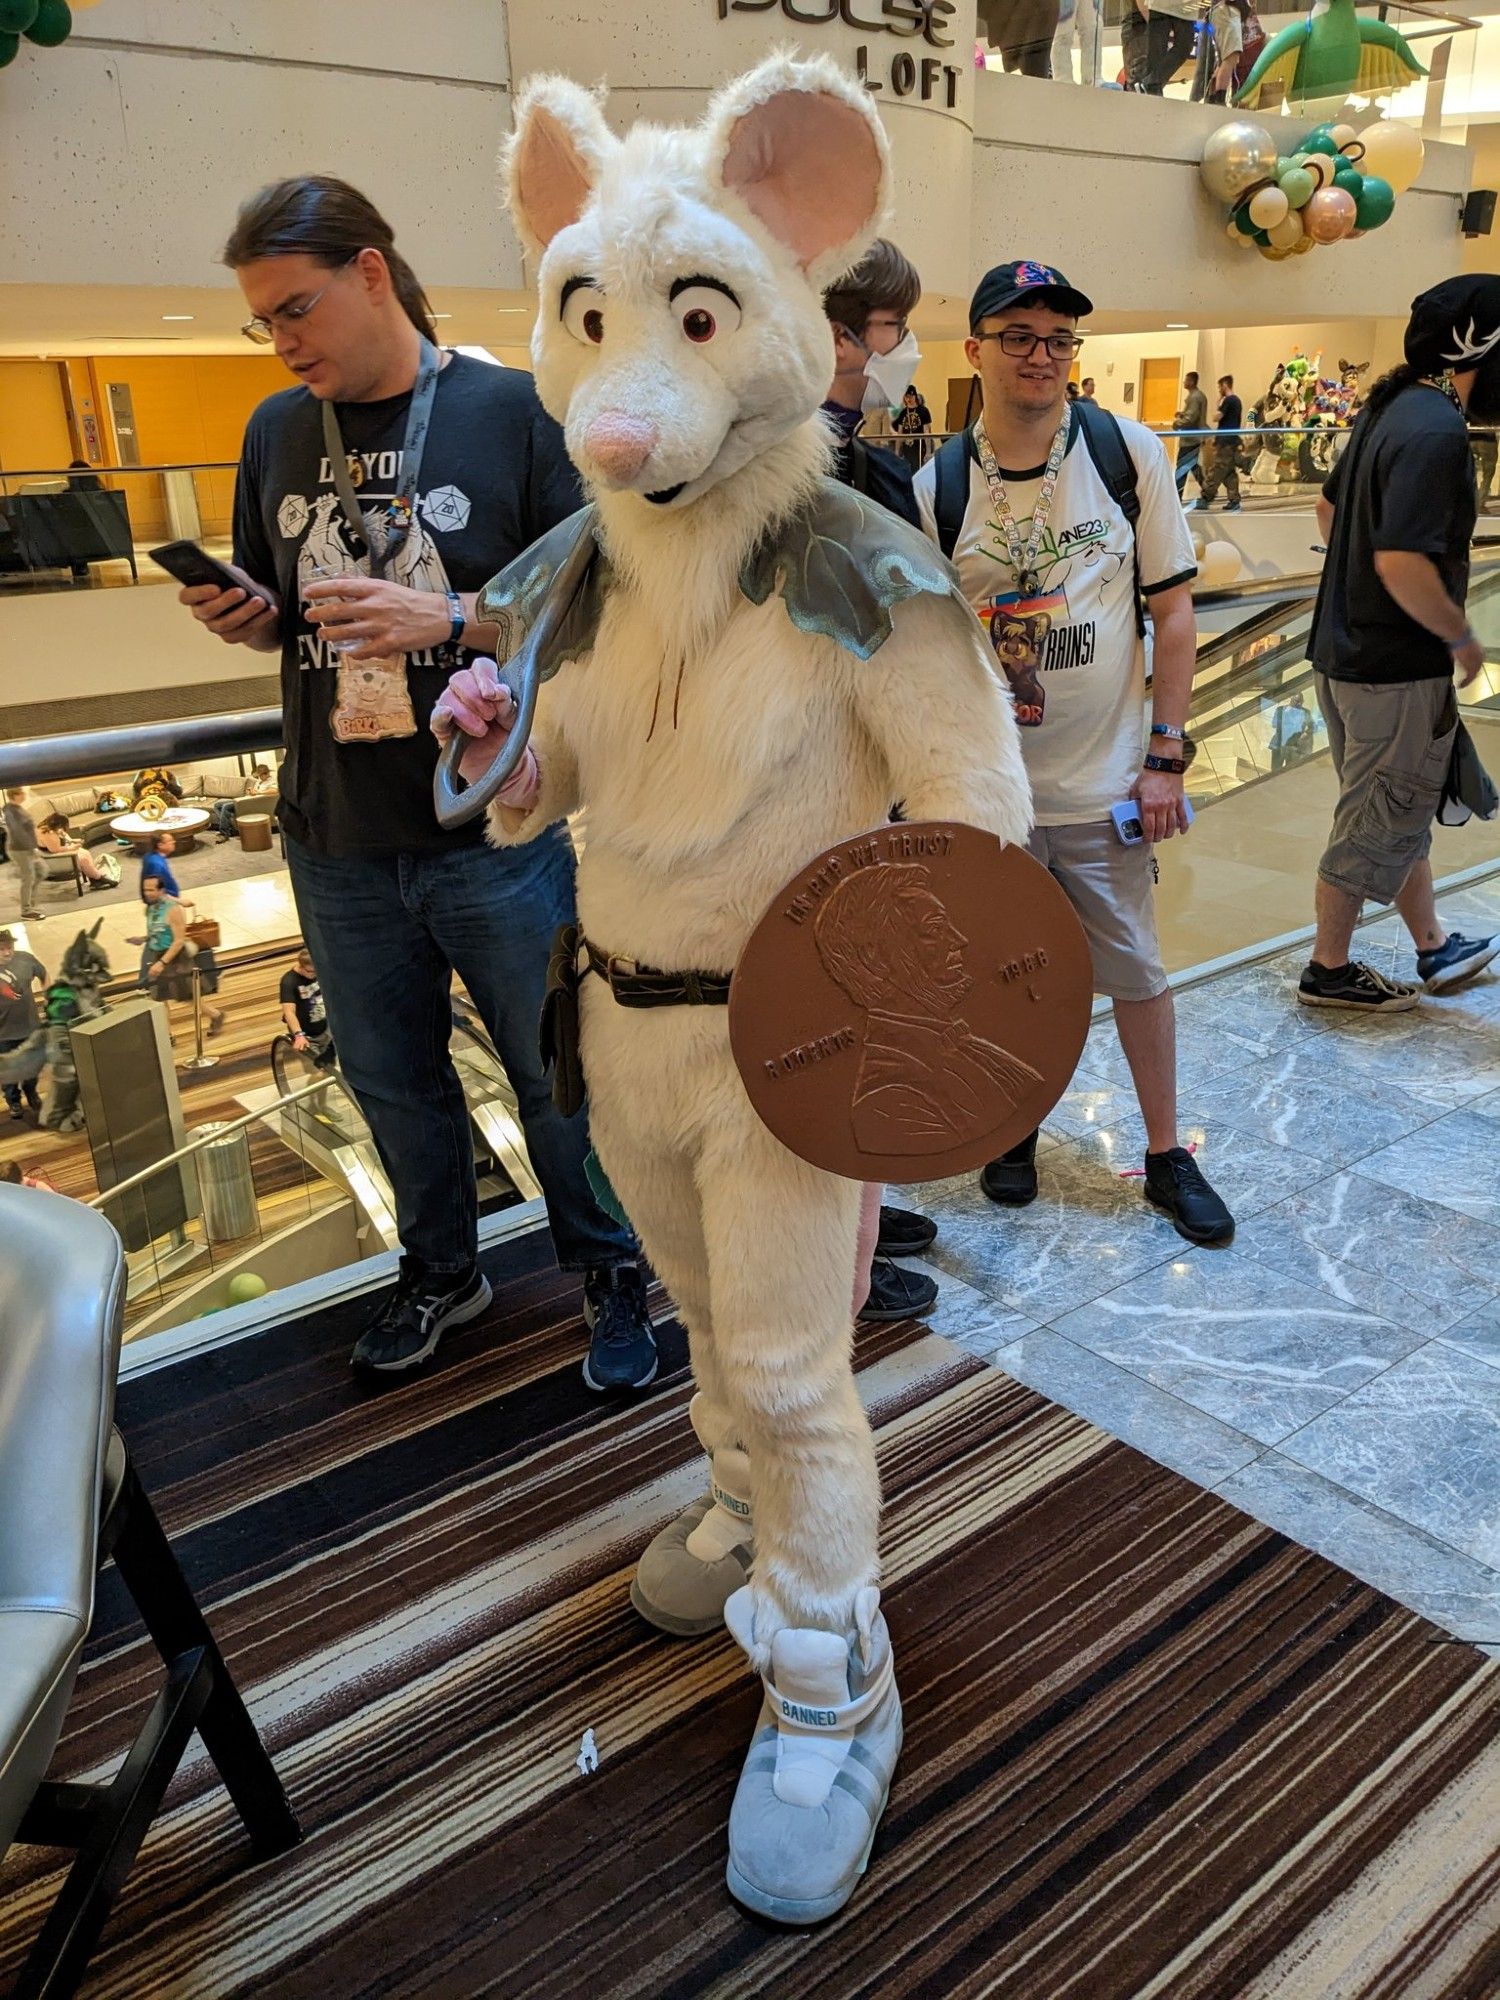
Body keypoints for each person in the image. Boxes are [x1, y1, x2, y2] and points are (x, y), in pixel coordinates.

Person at [177, 174, 651, 1389]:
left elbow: (591, 610)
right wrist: (249, 616)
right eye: (262, 322)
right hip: (332, 835)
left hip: (493, 826)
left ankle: (613, 1270)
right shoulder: (277, 429)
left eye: (295, 308)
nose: (282, 341)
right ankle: (443, 1270)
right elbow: (289, 614)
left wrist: (445, 612)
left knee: (557, 1077)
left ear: (371, 273)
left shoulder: (516, 414)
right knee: (392, 1084)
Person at [916, 258, 1234, 1245]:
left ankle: (1167, 1151)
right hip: (994, 796)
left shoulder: (1125, 451)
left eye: (1058, 339)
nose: (1040, 355)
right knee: (1002, 975)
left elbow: (1173, 616)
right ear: (976, 351)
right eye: (1018, 336)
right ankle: (1015, 1127)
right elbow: (926, 644)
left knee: (1135, 968)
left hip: (1101, 788)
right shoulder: (941, 483)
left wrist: (1166, 756)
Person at [1298, 274, 1500, 1012]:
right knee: (1376, 816)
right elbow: (1401, 559)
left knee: (1394, 805)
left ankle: (1433, 945)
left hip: (1344, 656)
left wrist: (1358, 597)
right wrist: (1460, 632)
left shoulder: (1390, 409)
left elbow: (1328, 511)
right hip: (1392, 668)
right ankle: (1328, 968)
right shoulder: (1438, 430)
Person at [820, 237, 943, 1322]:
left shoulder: (853, 448)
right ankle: (833, 1244)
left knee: (871, 998)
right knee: (834, 1005)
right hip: (816, 776)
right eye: (889, 327)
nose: (898, 348)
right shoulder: (801, 458)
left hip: (867, 764)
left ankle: (859, 1201)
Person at [820, 237, 926, 526]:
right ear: (839, 339)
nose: (907, 342)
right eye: (897, 325)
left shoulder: (889, 476)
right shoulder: (767, 479)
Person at [140, 875, 225, 1034]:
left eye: (151, 890)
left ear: (161, 890)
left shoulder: (173, 910)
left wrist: (162, 963)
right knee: (159, 998)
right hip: (158, 955)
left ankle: (215, 1014)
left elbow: (178, 941)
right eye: (145, 890)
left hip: (176, 958)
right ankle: (166, 1035)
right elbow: (157, 931)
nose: (147, 893)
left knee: (187, 996)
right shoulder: (150, 909)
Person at [0, 929, 45, 1121]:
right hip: (3, 1034)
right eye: (1, 949)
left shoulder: (26, 959)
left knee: (32, 1067)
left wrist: (48, 995)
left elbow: (44, 974)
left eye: (9, 947)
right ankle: (13, 1101)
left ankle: (31, 1092)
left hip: (30, 1028)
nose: (7, 952)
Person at [279, 943, 336, 1067]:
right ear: (301, 966)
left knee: (331, 1063)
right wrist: (299, 1035)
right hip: (307, 1036)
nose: (315, 975)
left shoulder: (318, 971)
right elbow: (289, 1012)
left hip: (326, 1027)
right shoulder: (289, 981)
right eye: (311, 972)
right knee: (315, 1068)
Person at [1194, 376, 1243, 510]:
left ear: (1225, 385)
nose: (1219, 389)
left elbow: (1216, 417)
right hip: (1232, 441)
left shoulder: (1228, 400)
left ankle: (1206, 498)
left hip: (1225, 442)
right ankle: (1234, 500)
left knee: (1216, 470)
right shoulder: (1237, 401)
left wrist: (1218, 404)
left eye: (1219, 386)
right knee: (1229, 473)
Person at [37, 813, 116, 890]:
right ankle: (98, 877)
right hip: (55, 858)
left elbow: (60, 837)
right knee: (83, 859)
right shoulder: (48, 833)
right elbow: (55, 850)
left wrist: (71, 841)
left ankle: (93, 879)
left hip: (51, 853)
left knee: (85, 853)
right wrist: (71, 847)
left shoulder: (47, 827)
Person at [3, 788, 44, 923]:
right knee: (28, 877)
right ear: (15, 795)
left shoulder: (17, 808)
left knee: (41, 871)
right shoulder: (10, 810)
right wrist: (31, 848)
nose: (25, 795)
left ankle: (30, 904)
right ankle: (26, 911)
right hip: (20, 849)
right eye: (22, 793)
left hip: (28, 848)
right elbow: (17, 832)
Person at [209, 763, 276, 841]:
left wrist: (258, 793)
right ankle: (230, 828)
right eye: (259, 775)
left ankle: (224, 833)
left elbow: (274, 791)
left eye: (261, 775)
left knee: (226, 807)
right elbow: (255, 791)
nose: (260, 777)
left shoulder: (272, 781)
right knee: (217, 805)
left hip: (250, 803)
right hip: (246, 799)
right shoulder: (259, 781)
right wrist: (252, 791)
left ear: (267, 773)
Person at [1173, 369, 1208, 498]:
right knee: (1192, 466)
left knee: (1182, 466)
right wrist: (1182, 414)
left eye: (1186, 380)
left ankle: (1176, 495)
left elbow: (1191, 418)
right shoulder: (1198, 396)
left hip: (1190, 438)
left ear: (1192, 382)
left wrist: (1177, 424)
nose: (1184, 382)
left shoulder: (1195, 397)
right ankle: (1207, 490)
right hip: (1195, 438)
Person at [1269, 688, 1313, 773]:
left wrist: (1306, 734)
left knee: (1291, 772)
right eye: (1297, 701)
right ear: (1291, 700)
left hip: (1295, 746)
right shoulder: (1281, 710)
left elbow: (1312, 727)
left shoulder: (1305, 712)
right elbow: (1274, 724)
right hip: (1279, 744)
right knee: (1275, 771)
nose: (1299, 703)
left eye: (1301, 701)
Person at [892, 384, 933, 469]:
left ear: (915, 396)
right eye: (907, 397)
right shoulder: (903, 413)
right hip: (907, 448)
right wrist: (896, 451)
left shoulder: (923, 411)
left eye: (911, 396)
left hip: (920, 447)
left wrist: (928, 451)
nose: (909, 399)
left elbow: (926, 432)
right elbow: (900, 434)